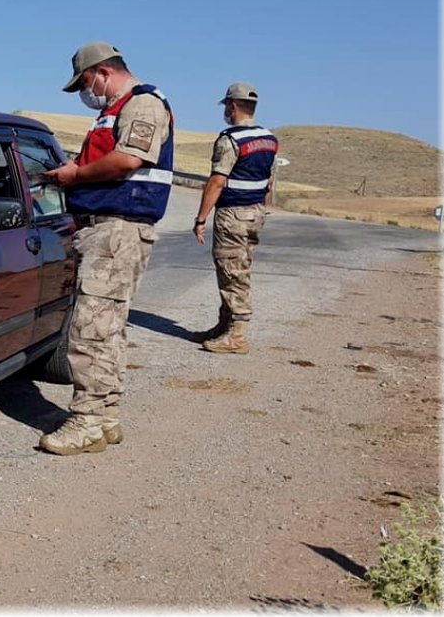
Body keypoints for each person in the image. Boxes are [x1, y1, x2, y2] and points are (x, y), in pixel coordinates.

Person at [37, 41, 175, 456]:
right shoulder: (112, 111)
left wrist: (75, 175)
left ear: (103, 72)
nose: (85, 91)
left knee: (92, 329)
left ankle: (88, 421)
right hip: (105, 229)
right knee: (107, 328)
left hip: (117, 230)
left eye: (84, 82)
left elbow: (128, 160)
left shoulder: (143, 104)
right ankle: (106, 416)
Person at [191, 83, 278, 354]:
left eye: (226, 107)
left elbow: (217, 181)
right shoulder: (269, 139)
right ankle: (225, 325)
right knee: (240, 266)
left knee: (231, 271)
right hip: (255, 212)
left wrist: (201, 218)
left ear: (233, 106)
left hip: (232, 214)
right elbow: (270, 180)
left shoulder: (230, 140)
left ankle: (237, 335)